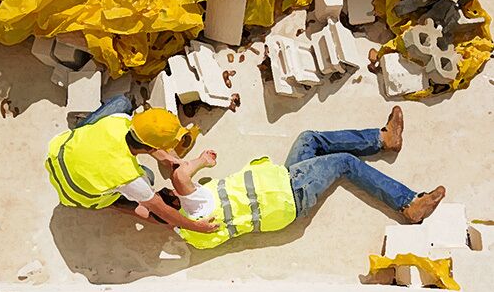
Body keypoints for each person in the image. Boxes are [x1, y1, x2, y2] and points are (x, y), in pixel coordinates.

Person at [133, 106, 446, 249]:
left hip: (281, 190)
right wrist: (201, 160)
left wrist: (136, 203)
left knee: (308, 139)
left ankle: (383, 139)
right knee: (344, 163)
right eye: (166, 194)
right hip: (287, 191)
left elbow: (147, 211)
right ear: (174, 200)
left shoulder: (191, 234)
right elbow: (180, 174)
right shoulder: (196, 205)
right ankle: (408, 204)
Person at [45, 95, 219, 233]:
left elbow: (141, 140)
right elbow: (162, 211)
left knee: (122, 102)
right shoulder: (130, 177)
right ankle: (114, 203)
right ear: (151, 146)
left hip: (58, 155)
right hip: (76, 195)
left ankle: (83, 128)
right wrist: (196, 227)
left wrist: (167, 159)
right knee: (149, 178)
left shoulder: (118, 120)